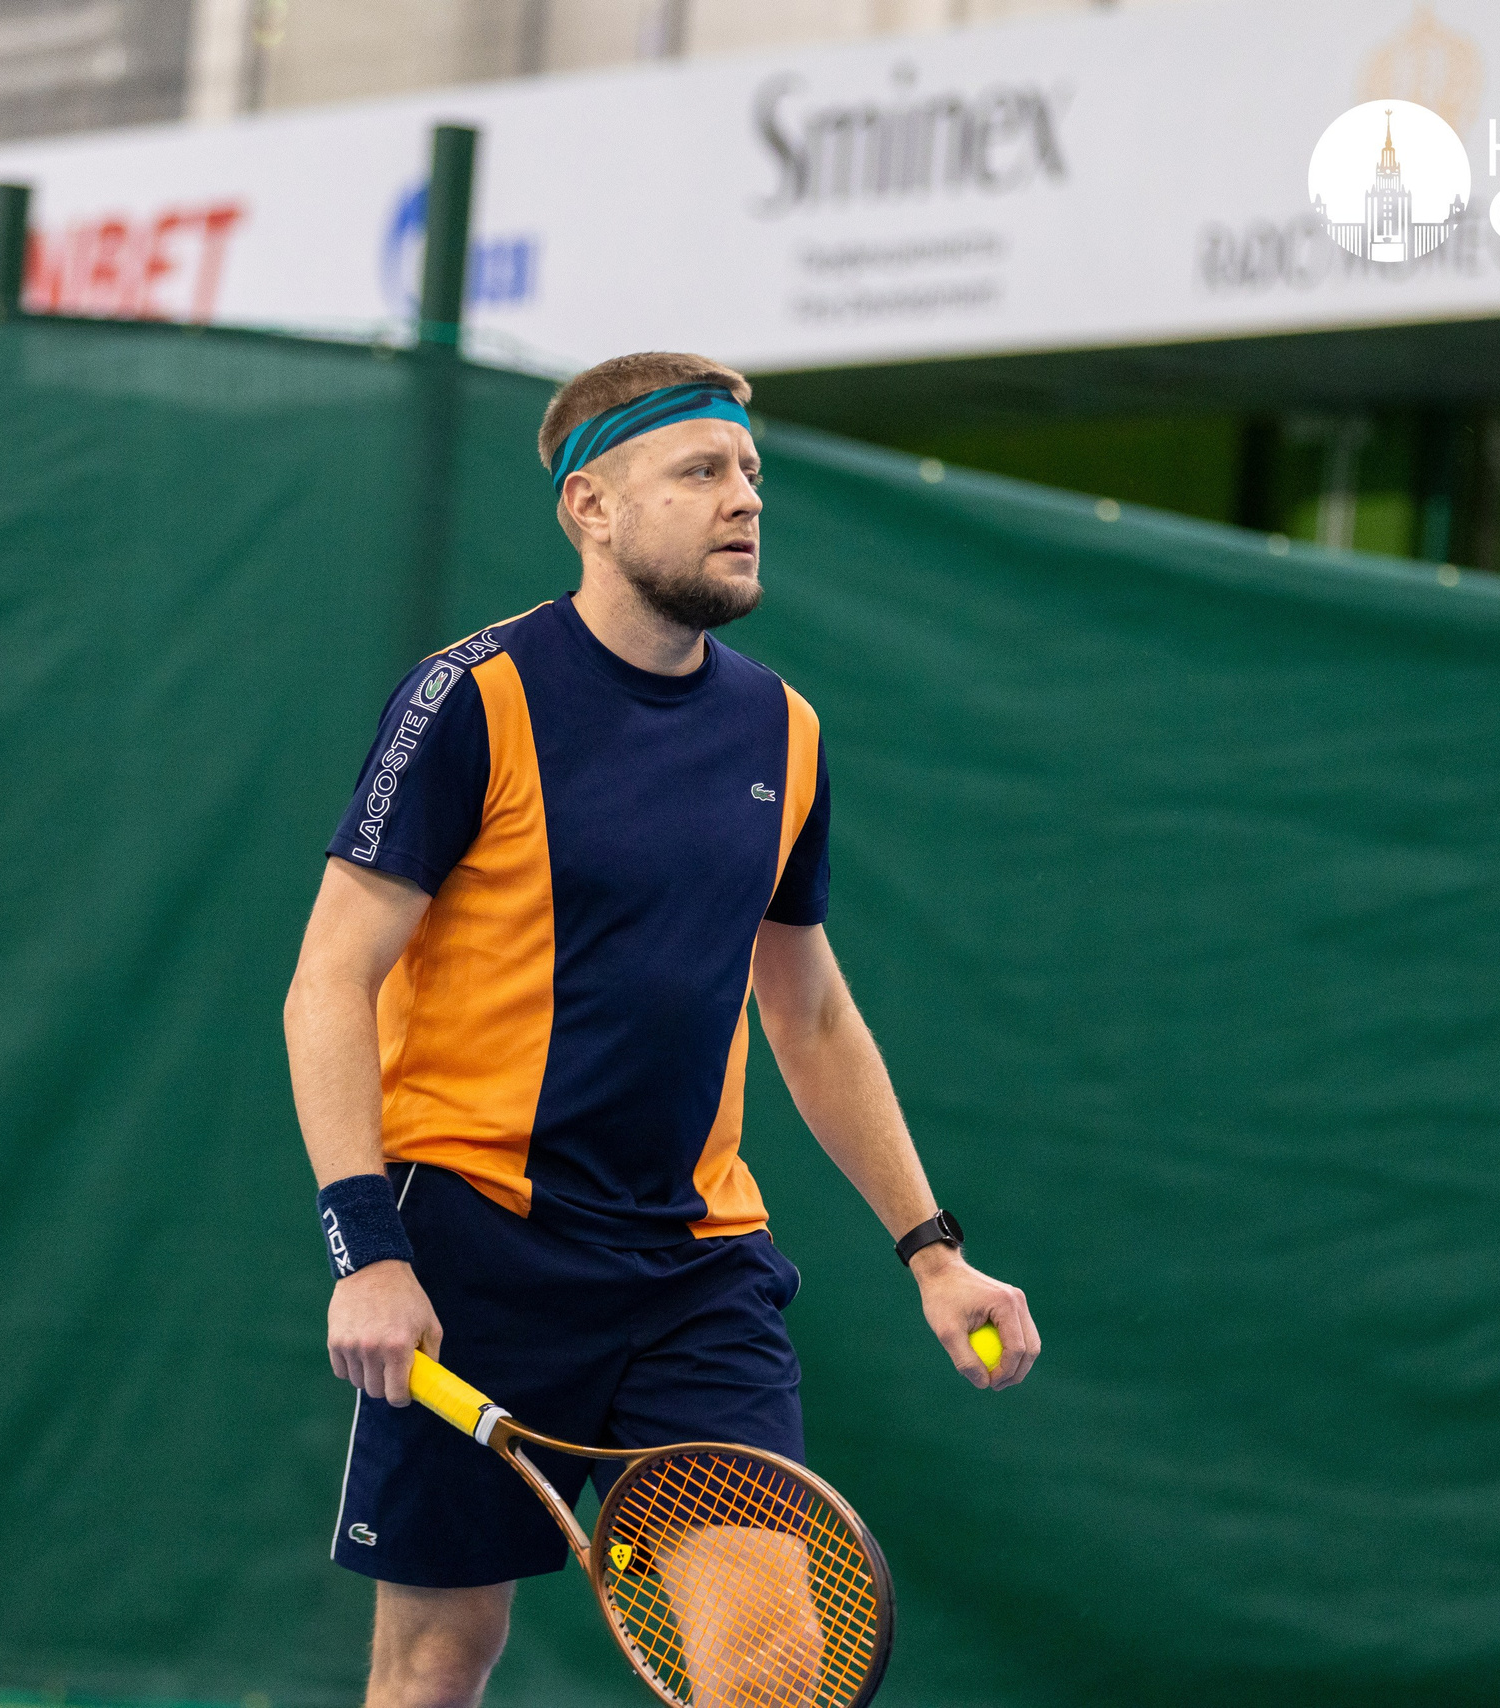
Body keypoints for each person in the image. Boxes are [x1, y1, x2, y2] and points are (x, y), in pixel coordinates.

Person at [282, 350, 1041, 1708]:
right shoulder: (472, 698)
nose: (743, 498)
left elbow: (806, 1007)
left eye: (751, 472)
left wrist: (934, 1254)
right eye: (701, 470)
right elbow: (326, 983)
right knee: (439, 1660)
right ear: (594, 506)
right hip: (472, 1249)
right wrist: (367, 1249)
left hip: (696, 1270)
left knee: (770, 1669)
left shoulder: (783, 728)